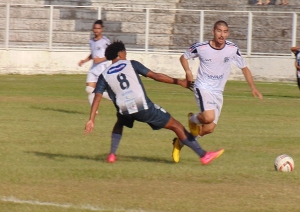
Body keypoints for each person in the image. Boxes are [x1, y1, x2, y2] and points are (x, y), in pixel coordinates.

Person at [84, 40, 224, 164]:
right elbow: (156, 76)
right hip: (143, 108)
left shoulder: (104, 75)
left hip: (124, 110)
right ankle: (203, 155)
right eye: (125, 51)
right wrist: (179, 82)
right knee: (176, 126)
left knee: (120, 121)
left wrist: (91, 119)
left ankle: (112, 155)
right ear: (120, 54)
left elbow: (97, 96)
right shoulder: (131, 64)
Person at [172, 20, 263, 163]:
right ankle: (192, 119)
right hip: (203, 87)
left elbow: (244, 68)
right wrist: (188, 71)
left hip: (218, 92)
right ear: (213, 31)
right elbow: (183, 57)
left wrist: (253, 87)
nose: (222, 34)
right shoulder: (201, 47)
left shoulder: (232, 49)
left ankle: (180, 142)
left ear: (228, 33)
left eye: (225, 31)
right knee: (208, 117)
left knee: (209, 128)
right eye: (219, 31)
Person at [78, 19, 111, 111]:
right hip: (93, 68)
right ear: (93, 29)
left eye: (98, 28)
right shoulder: (91, 41)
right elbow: (93, 54)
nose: (96, 30)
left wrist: (101, 59)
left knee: (94, 90)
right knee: (88, 89)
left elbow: (111, 54)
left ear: (102, 29)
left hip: (102, 68)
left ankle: (109, 95)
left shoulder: (105, 41)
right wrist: (84, 61)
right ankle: (94, 111)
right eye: (95, 28)